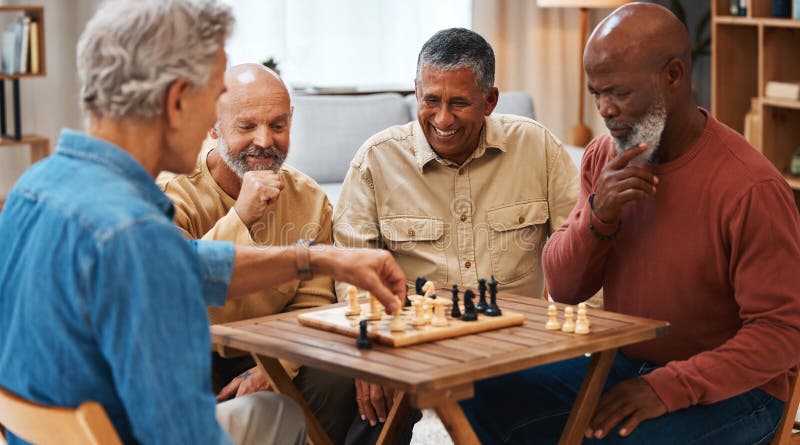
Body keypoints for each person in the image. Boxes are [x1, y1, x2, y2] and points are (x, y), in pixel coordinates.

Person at [0, 1, 405, 445]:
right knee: (283, 414)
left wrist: (317, 259)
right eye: (214, 96)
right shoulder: (134, 235)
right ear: (177, 101)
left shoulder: (34, 187)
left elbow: (186, 263)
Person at [460, 3, 800, 444]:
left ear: (673, 76)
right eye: (595, 92)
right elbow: (564, 289)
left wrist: (666, 388)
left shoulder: (751, 188)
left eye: (618, 92)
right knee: (478, 391)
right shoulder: (605, 156)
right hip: (623, 365)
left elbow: (782, 334)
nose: (604, 109)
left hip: (738, 391)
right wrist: (599, 216)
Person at [333, 28, 579, 444]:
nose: (442, 119)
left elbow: (582, 253)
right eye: (431, 100)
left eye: (459, 103)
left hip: (517, 358)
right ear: (416, 92)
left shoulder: (538, 148)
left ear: (490, 101)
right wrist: (370, 354)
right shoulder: (375, 161)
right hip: (410, 362)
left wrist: (590, 351)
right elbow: (352, 276)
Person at [158, 63, 355, 444]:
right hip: (192, 350)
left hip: (270, 347)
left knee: (342, 376)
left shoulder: (310, 200)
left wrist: (275, 368)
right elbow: (175, 292)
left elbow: (313, 304)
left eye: (278, 126)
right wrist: (241, 216)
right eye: (247, 126)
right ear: (213, 127)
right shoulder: (173, 194)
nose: (265, 141)